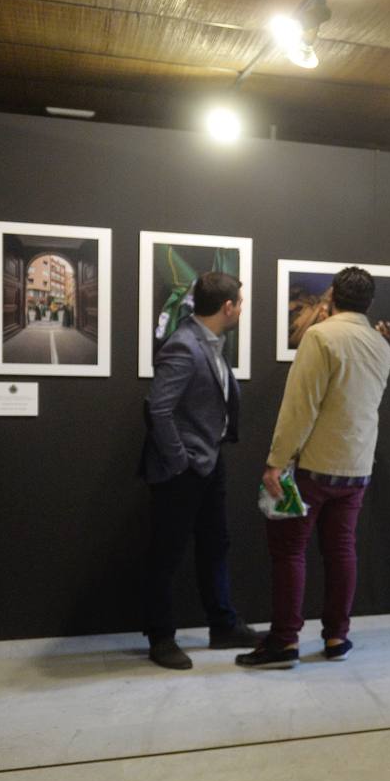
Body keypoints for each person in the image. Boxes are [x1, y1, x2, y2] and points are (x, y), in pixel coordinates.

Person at [236, 267, 390, 669]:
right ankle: (337, 636)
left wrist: (276, 461)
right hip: (356, 467)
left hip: (312, 468)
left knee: (290, 552)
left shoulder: (320, 336)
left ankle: (285, 642)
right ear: (369, 302)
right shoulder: (380, 344)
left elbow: (300, 407)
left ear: (332, 297)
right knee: (342, 551)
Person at [139, 271, 263, 670]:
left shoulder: (209, 343)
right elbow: (158, 407)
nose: (242, 309)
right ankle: (160, 637)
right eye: (240, 303)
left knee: (216, 545)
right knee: (166, 554)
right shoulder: (184, 345)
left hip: (211, 462)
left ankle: (223, 624)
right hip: (185, 470)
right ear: (228, 307)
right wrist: (180, 461)